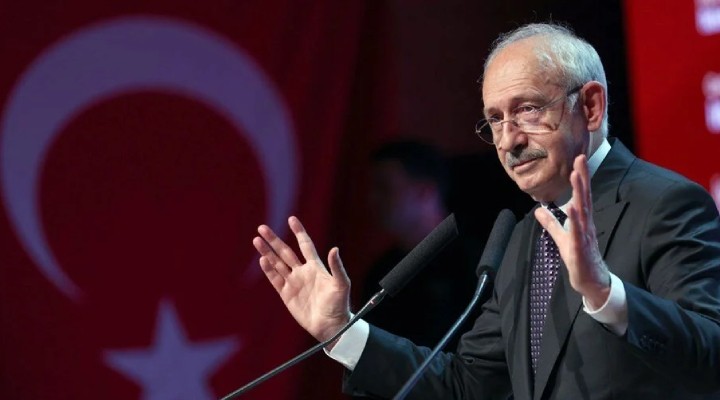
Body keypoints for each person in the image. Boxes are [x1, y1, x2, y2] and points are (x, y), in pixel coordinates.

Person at [252, 23, 720, 399]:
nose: (509, 140)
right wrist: (342, 331)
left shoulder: (665, 204)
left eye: (528, 109)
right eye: (495, 119)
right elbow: (467, 386)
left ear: (591, 107)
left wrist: (605, 293)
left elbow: (712, 356)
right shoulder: (523, 238)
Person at [362, 140, 478, 349]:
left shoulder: (476, 263)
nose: (372, 199)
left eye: (385, 188)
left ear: (424, 191)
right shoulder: (381, 271)